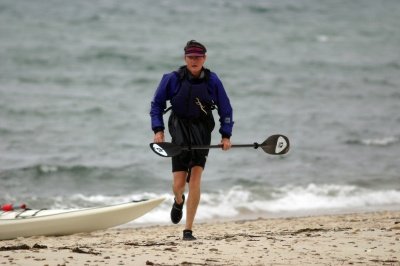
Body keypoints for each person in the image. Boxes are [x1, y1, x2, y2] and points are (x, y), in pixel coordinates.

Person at [150, 40, 234, 240]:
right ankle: (178, 200)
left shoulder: (212, 81)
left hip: (201, 129)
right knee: (179, 184)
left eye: (198, 57)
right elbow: (157, 105)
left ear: (204, 58)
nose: (194, 61)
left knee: (195, 178)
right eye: (191, 57)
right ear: (185, 58)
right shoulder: (172, 79)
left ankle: (188, 230)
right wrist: (158, 129)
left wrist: (226, 135)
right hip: (178, 129)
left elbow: (226, 109)